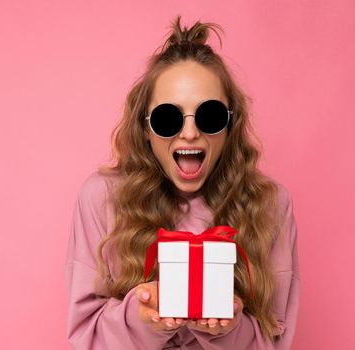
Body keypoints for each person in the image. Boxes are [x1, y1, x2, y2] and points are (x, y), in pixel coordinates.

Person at [65, 16, 299, 350]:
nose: (189, 132)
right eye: (168, 118)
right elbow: (86, 335)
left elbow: (274, 341)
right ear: (145, 128)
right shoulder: (102, 199)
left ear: (230, 124)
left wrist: (226, 328)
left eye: (210, 115)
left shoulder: (271, 204)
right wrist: (143, 318)